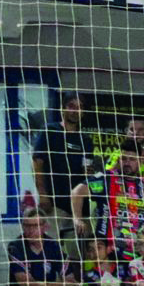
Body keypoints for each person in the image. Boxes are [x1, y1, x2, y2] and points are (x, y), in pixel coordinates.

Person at [32, 93, 96, 229]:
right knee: (53, 247)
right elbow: (37, 164)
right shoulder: (50, 131)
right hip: (55, 204)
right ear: (63, 108)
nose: (75, 111)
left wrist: (89, 173)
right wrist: (43, 195)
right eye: (72, 106)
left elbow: (88, 171)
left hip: (79, 207)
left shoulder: (86, 140)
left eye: (79, 107)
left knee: (78, 249)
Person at [6, 207, 73, 286]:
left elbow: (70, 280)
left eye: (35, 226)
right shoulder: (16, 246)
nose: (30, 231)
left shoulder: (54, 246)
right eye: (27, 226)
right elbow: (27, 285)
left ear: (45, 227)